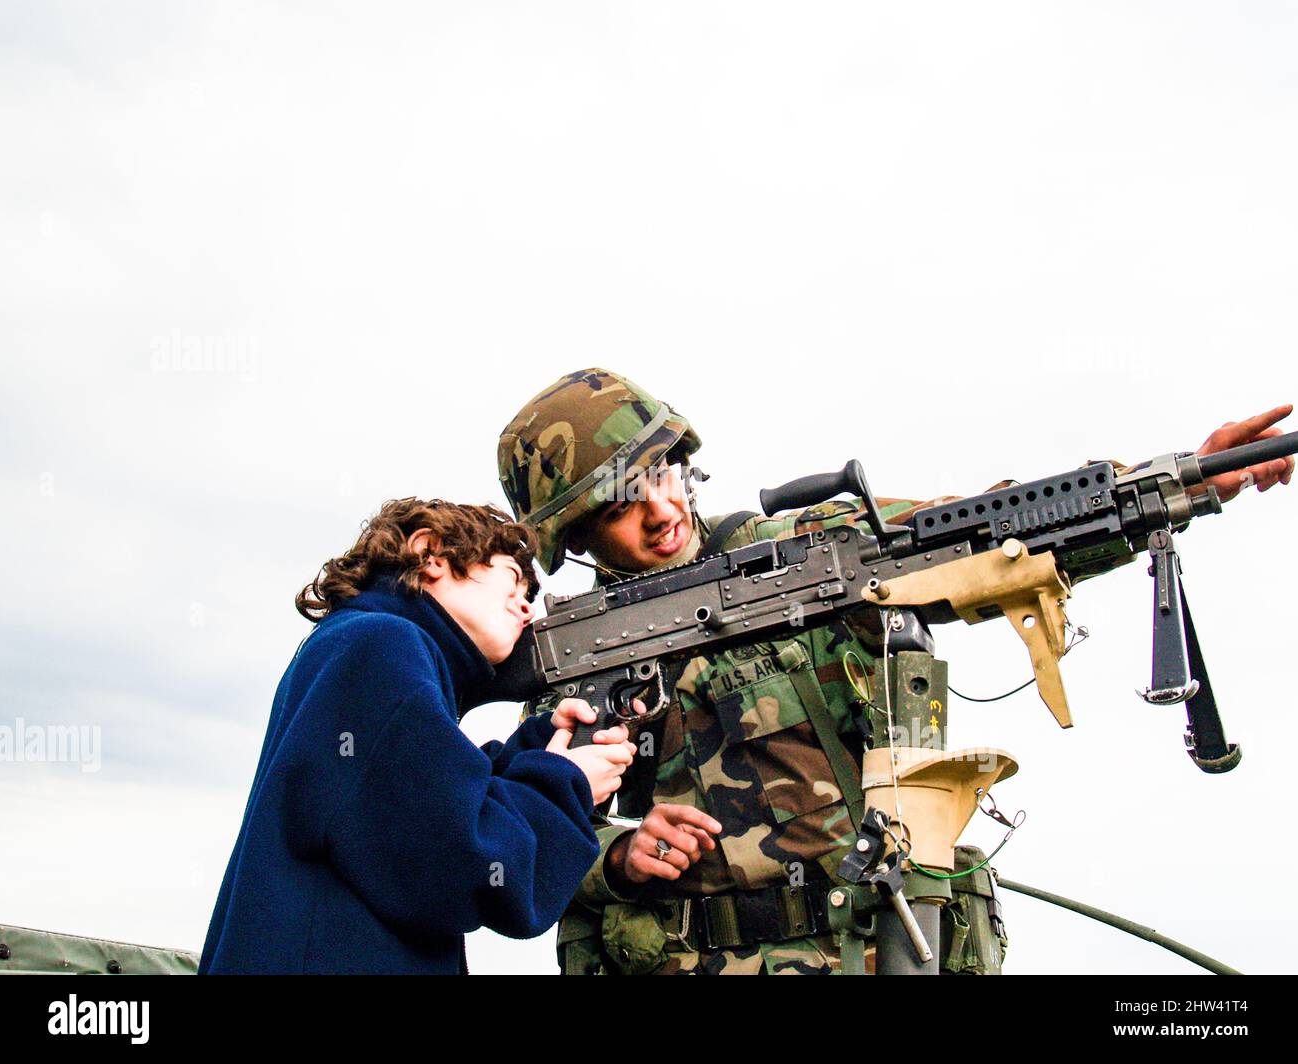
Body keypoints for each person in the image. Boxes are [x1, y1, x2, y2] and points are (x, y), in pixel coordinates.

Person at [497, 368, 1293, 975]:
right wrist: (617, 857)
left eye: (662, 474)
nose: (662, 510)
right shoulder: (573, 656)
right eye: (618, 504)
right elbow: (515, 836)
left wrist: (1174, 484)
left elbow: (989, 533)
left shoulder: (814, 546)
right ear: (572, 535)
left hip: (882, 947)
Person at [199, 497, 635, 974]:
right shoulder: (380, 647)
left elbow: (416, 814)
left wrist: (540, 747)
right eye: (513, 578)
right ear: (430, 554)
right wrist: (564, 783)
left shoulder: (358, 646)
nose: (527, 607)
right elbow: (463, 864)